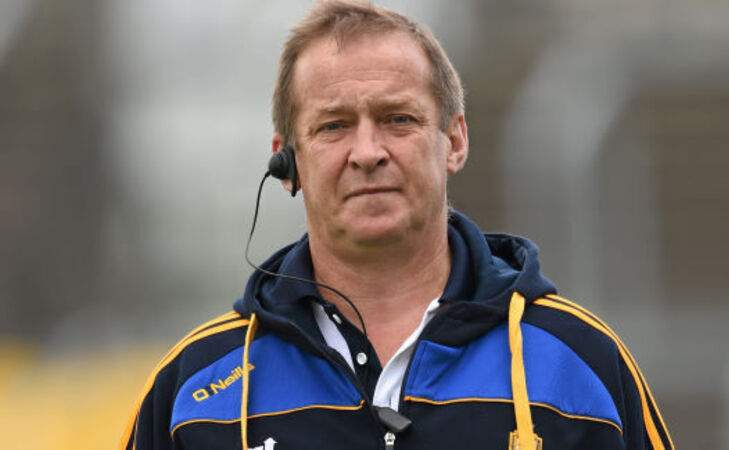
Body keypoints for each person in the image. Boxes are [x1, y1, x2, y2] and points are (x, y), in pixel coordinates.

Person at [120, 1, 673, 449]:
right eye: (333, 126)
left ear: (454, 140)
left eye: (397, 119)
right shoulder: (192, 392)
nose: (367, 152)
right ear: (287, 163)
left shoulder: (580, 363)